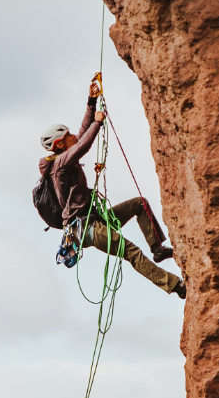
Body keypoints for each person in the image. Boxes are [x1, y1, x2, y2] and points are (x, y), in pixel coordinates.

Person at [38, 81, 186, 299]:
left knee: (139, 204)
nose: (73, 136)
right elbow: (83, 144)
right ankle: (175, 286)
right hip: (86, 228)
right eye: (67, 135)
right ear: (59, 144)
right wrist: (97, 124)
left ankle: (158, 249)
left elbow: (82, 134)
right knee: (132, 252)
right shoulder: (60, 164)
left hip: (93, 219)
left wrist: (91, 102)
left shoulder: (64, 157)